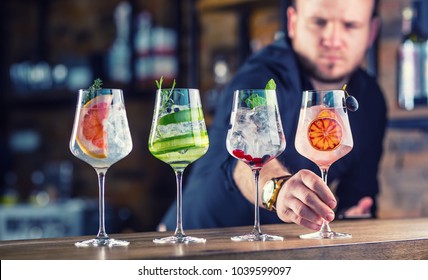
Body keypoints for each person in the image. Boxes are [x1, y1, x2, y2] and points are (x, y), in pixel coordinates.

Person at [160, 0, 387, 231]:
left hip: (273, 249)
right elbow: (240, 157)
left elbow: (358, 195)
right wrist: (278, 188)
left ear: (371, 32)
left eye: (350, 25)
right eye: (319, 22)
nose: (332, 38)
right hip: (195, 237)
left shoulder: (370, 99)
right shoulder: (262, 76)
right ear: (293, 22)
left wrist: (351, 215)